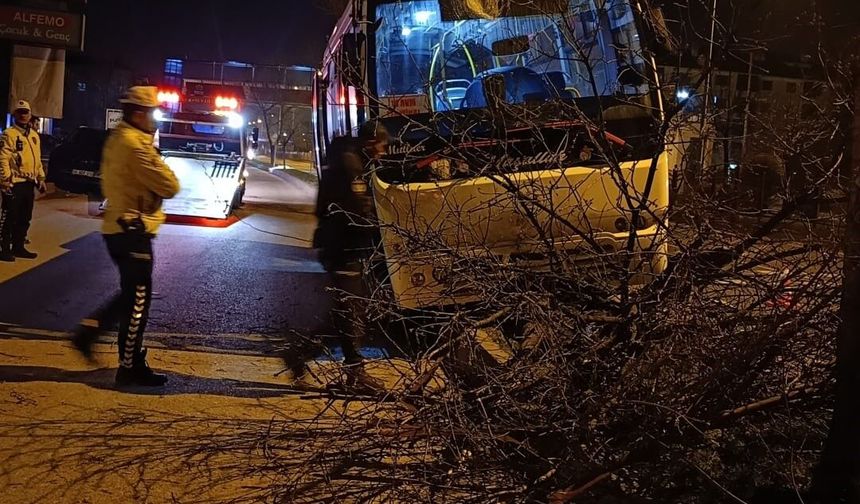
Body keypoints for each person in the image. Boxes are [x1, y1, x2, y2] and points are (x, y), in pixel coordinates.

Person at [71, 86, 180, 387]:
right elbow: (170, 186)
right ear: (138, 113)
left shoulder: (121, 139)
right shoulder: (136, 145)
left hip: (120, 228)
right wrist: (158, 159)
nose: (156, 120)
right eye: (153, 113)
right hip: (132, 231)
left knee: (130, 297)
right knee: (137, 300)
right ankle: (127, 365)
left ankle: (92, 336)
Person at [307, 121, 388, 386]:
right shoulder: (351, 165)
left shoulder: (349, 159)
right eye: (382, 146)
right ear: (370, 143)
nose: (384, 152)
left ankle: (302, 355)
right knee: (350, 311)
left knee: (348, 310)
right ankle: (350, 370)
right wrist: (379, 229)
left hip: (340, 244)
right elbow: (357, 210)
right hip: (343, 246)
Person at [0, 100, 46, 262]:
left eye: (25, 112)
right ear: (14, 115)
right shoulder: (9, 134)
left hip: (29, 183)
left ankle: (18, 247)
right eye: (20, 112)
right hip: (14, 182)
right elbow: (3, 158)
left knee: (24, 218)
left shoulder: (33, 135)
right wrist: (5, 180)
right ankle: (4, 249)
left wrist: (40, 178)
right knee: (9, 217)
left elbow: (37, 160)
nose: (23, 115)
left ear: (30, 114)